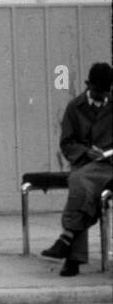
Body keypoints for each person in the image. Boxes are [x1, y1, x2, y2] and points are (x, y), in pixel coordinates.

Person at [41, 61, 113, 275]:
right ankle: (69, 245)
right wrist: (85, 152)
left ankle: (69, 247)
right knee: (81, 186)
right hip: (84, 162)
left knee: (79, 184)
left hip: (109, 165)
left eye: (107, 91)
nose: (103, 96)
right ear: (88, 85)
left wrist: (107, 154)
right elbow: (66, 142)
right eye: (98, 91)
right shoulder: (74, 107)